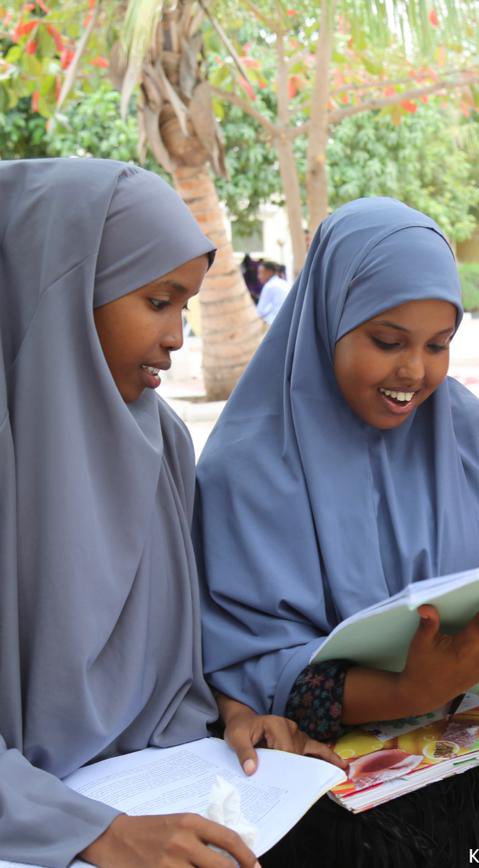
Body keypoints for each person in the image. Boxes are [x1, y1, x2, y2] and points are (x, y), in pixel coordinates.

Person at [194, 198, 479, 866]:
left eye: (438, 346)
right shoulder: (246, 470)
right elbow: (242, 661)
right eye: (387, 341)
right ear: (328, 322)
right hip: (335, 769)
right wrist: (410, 691)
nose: (414, 372)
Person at [0, 158, 340, 867]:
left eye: (186, 304)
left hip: (151, 793)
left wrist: (233, 713)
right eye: (158, 300)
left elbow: (168, 666)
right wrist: (91, 833)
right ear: (59, 290)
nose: (180, 336)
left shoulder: (162, 444)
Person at [255, 259, 291, 325]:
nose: (258, 277)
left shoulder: (269, 286)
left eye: (260, 273)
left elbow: (260, 311)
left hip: (275, 323)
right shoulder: (284, 283)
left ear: (269, 272)